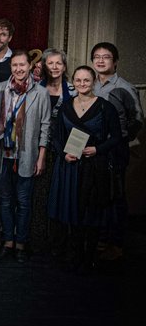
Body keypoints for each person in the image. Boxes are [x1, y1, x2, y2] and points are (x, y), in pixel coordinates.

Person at [47, 65, 127, 272]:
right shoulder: (65, 107)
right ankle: (75, 255)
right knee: (72, 210)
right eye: (79, 80)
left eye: (87, 80)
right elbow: (55, 137)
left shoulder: (104, 107)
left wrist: (97, 149)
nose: (82, 84)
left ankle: (89, 256)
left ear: (93, 82)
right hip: (70, 166)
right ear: (73, 82)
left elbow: (117, 137)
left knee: (91, 213)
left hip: (94, 167)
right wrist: (64, 153)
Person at [0, 51, 52, 262]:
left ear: (29, 66)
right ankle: (8, 241)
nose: (18, 69)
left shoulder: (40, 93)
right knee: (5, 200)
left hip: (26, 154)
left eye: (22, 65)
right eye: (14, 65)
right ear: (11, 68)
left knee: (24, 201)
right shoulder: (0, 89)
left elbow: (45, 126)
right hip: (3, 154)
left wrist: (41, 156)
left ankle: (21, 243)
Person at [90, 41, 141, 265]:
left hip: (115, 150)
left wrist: (118, 142)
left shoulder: (125, 88)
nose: (101, 60)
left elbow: (136, 120)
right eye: (97, 57)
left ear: (115, 61)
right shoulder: (89, 85)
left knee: (115, 196)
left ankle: (116, 244)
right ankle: (100, 241)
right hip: (93, 150)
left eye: (106, 57)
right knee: (96, 195)